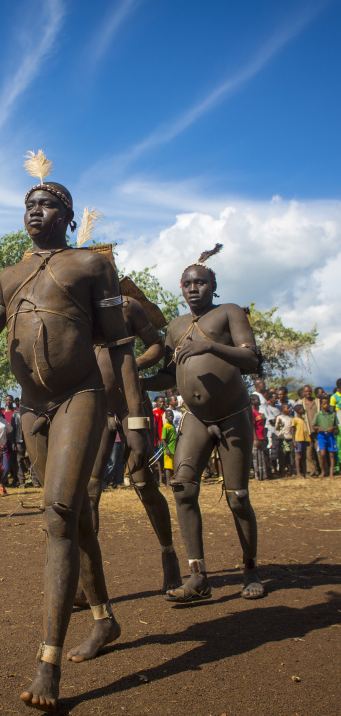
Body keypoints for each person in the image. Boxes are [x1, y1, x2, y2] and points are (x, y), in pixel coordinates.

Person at [0, 173, 150, 712]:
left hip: (80, 396)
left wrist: (136, 419)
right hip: (33, 409)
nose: (36, 210)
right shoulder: (8, 276)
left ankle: (47, 662)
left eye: (48, 204)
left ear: (67, 217)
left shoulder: (92, 265)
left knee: (58, 514)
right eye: (30, 203)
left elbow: (120, 347)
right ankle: (104, 620)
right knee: (75, 520)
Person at [142, 244, 265, 601]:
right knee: (183, 488)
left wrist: (208, 348)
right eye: (187, 284)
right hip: (196, 417)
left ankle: (250, 569)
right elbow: (167, 375)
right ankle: (198, 577)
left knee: (238, 497)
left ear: (213, 286)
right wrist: (137, 380)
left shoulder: (229, 312)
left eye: (200, 282)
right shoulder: (177, 327)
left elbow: (251, 359)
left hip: (232, 415)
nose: (193, 288)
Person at [86, 290, 180, 597]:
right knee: (89, 492)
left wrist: (133, 366)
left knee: (143, 483)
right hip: (96, 408)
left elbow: (158, 346)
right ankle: (88, 579)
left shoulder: (128, 306)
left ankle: (169, 556)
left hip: (132, 406)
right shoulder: (77, 309)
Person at [312, 397, 338, 478]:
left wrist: (332, 428)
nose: (326, 405)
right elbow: (313, 425)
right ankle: (323, 471)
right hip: (321, 436)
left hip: (330, 435)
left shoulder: (332, 414)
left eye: (327, 403)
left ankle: (331, 473)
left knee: (332, 454)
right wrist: (318, 428)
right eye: (324, 404)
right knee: (322, 454)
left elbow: (336, 425)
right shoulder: (318, 415)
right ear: (321, 405)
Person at [297, 385, 320, 476]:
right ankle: (312, 470)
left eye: (309, 391)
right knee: (309, 452)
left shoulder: (317, 402)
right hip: (307, 431)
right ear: (303, 392)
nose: (308, 393)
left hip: (317, 431)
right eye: (306, 392)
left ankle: (321, 469)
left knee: (318, 450)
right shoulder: (301, 403)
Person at [251, 394, 268, 481]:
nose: (259, 401)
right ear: (253, 401)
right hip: (256, 438)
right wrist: (256, 438)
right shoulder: (252, 412)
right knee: (256, 458)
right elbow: (253, 426)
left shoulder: (259, 412)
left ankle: (264, 475)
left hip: (262, 437)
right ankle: (257, 475)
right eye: (257, 399)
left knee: (262, 457)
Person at [275, 404, 295, 476]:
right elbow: (276, 428)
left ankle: (291, 471)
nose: (289, 409)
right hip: (283, 438)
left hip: (290, 438)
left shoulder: (291, 418)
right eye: (287, 408)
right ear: (283, 409)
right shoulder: (280, 417)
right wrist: (278, 423)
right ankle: (282, 471)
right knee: (282, 455)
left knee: (291, 455)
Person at [292, 404, 310, 479]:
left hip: (304, 439)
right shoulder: (295, 419)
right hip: (298, 439)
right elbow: (292, 431)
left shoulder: (303, 419)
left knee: (304, 457)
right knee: (298, 457)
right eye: (302, 409)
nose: (304, 410)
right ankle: (298, 473)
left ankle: (305, 473)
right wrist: (294, 441)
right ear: (299, 410)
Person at [161, 408, 177, 486]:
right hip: (168, 450)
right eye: (169, 415)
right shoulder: (166, 426)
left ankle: (172, 481)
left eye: (172, 415)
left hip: (174, 449)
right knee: (168, 467)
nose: (171, 417)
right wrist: (166, 449)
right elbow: (163, 439)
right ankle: (168, 483)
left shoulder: (173, 425)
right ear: (166, 417)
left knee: (173, 466)